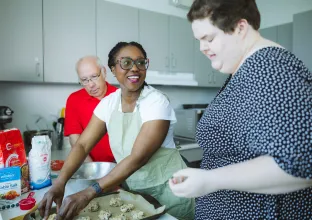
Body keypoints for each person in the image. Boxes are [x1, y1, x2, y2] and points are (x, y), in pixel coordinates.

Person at [169, 0, 312, 219]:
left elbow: (298, 163)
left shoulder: (270, 68)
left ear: (240, 28)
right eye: (199, 40)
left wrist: (210, 180)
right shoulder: (246, 70)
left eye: (209, 38)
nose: (202, 47)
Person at [39, 42, 195, 220]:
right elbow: (82, 144)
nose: (135, 68)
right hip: (136, 191)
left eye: (140, 62)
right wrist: (60, 182)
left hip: (171, 190)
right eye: (126, 63)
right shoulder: (109, 104)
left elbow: (138, 157)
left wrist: (90, 192)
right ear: (113, 69)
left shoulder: (156, 102)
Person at [64, 56, 117, 162]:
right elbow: (75, 139)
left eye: (94, 76)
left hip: (121, 164)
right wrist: (92, 168)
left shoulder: (119, 96)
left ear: (104, 72)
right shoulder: (74, 100)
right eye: (84, 80)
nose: (91, 84)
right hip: (90, 163)